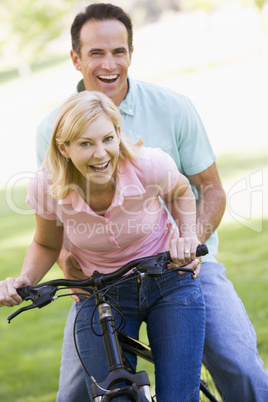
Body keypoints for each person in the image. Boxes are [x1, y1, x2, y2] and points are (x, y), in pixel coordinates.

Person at [36, 3, 268, 402]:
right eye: (96, 53)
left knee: (241, 366)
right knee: (73, 392)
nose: (109, 64)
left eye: (119, 51)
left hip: (183, 266)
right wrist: (68, 267)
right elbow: (53, 214)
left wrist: (190, 242)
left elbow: (211, 190)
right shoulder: (52, 129)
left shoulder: (173, 106)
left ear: (131, 52)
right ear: (76, 59)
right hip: (104, 280)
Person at [0, 90, 205, 401]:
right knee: (111, 397)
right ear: (63, 148)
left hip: (166, 279)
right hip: (102, 293)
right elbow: (45, 243)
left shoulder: (149, 165)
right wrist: (26, 279)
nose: (101, 154)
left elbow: (180, 192)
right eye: (86, 143)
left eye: (108, 139)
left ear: (118, 134)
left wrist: (187, 235)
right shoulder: (47, 186)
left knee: (178, 394)